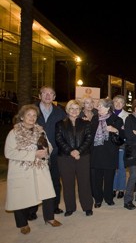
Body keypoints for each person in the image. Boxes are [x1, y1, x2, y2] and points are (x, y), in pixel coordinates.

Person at [4, 104, 62, 235]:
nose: (32, 118)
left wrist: (47, 151)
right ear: (22, 117)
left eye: (34, 115)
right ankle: (22, 224)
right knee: (20, 197)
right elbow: (9, 153)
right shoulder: (14, 133)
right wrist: (33, 154)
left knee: (47, 194)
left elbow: (49, 146)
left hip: (40, 169)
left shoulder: (40, 131)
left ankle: (49, 218)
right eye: (29, 115)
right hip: (22, 170)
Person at [55, 100, 93, 217]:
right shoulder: (60, 124)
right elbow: (59, 140)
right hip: (65, 157)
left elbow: (88, 138)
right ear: (67, 110)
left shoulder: (86, 123)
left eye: (77, 108)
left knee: (84, 183)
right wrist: (71, 151)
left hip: (83, 156)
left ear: (80, 111)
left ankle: (87, 207)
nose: (74, 111)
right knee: (68, 183)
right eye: (72, 108)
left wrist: (78, 151)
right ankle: (70, 208)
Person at [34, 86, 66, 217]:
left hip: (55, 152)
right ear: (40, 95)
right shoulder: (32, 110)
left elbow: (68, 126)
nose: (47, 96)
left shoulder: (60, 112)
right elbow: (20, 123)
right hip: (36, 153)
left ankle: (54, 206)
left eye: (51, 93)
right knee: (35, 181)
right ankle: (32, 210)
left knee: (55, 181)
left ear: (54, 97)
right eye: (45, 93)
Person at [89, 98, 125, 208]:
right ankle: (98, 199)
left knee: (109, 178)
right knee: (96, 179)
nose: (97, 108)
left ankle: (108, 198)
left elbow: (122, 136)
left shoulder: (116, 120)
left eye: (100, 106)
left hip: (110, 153)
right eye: (98, 106)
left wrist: (115, 130)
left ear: (108, 107)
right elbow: (90, 135)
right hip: (96, 152)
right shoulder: (95, 119)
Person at [112, 95, 129, 200]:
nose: (118, 104)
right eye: (116, 102)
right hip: (110, 146)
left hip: (122, 144)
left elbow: (127, 132)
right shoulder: (108, 114)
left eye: (121, 102)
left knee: (122, 168)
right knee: (113, 168)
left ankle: (122, 189)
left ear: (124, 104)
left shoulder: (127, 116)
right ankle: (113, 188)